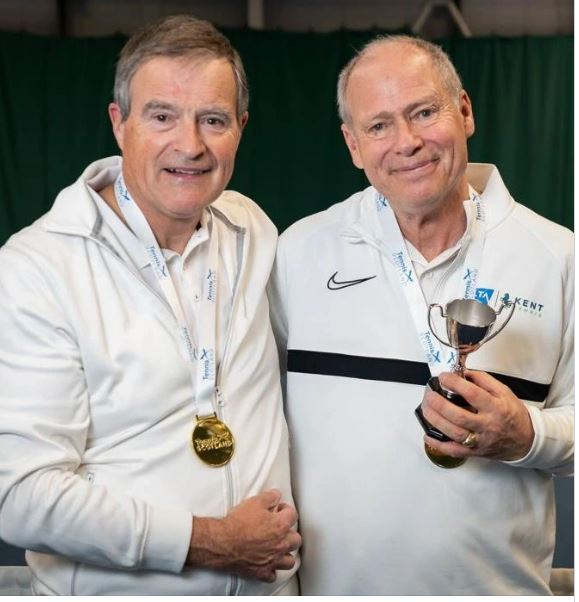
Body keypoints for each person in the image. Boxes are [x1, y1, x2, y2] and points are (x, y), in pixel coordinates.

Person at [0, 15, 300, 596]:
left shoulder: (252, 230)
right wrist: (210, 540)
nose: (189, 145)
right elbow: (18, 496)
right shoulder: (37, 268)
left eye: (212, 120)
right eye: (162, 116)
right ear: (120, 124)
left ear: (240, 127)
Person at [269, 35, 573, 595]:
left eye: (424, 112)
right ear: (353, 145)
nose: (406, 142)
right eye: (379, 125)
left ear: (464, 111)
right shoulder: (299, 251)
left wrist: (527, 434)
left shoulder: (560, 257)